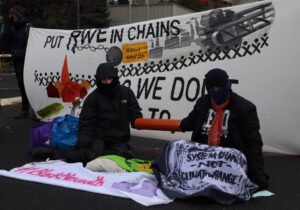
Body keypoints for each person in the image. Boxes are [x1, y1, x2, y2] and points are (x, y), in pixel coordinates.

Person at [32, 63, 143, 164]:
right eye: (104, 79)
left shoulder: (126, 93)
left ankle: (118, 152)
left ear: (115, 78)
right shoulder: (92, 99)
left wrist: (136, 120)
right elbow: (86, 124)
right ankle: (52, 153)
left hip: (119, 139)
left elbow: (135, 111)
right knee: (88, 157)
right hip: (99, 138)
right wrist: (83, 145)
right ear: (99, 80)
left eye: (110, 78)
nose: (108, 82)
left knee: (118, 157)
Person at [179, 68, 269, 191]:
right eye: (212, 89)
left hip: (230, 162)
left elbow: (253, 143)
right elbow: (188, 122)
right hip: (202, 159)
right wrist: (181, 125)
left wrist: (258, 175)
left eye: (219, 88)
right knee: (175, 148)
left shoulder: (245, 108)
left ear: (227, 86)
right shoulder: (203, 103)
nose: (216, 92)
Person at [0, 5, 31, 119]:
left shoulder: (27, 26)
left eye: (11, 14)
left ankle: (33, 110)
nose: (9, 16)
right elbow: (3, 40)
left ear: (15, 15)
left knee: (29, 84)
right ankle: (25, 109)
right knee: (21, 84)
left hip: (27, 58)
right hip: (17, 58)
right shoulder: (12, 27)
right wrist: (8, 25)